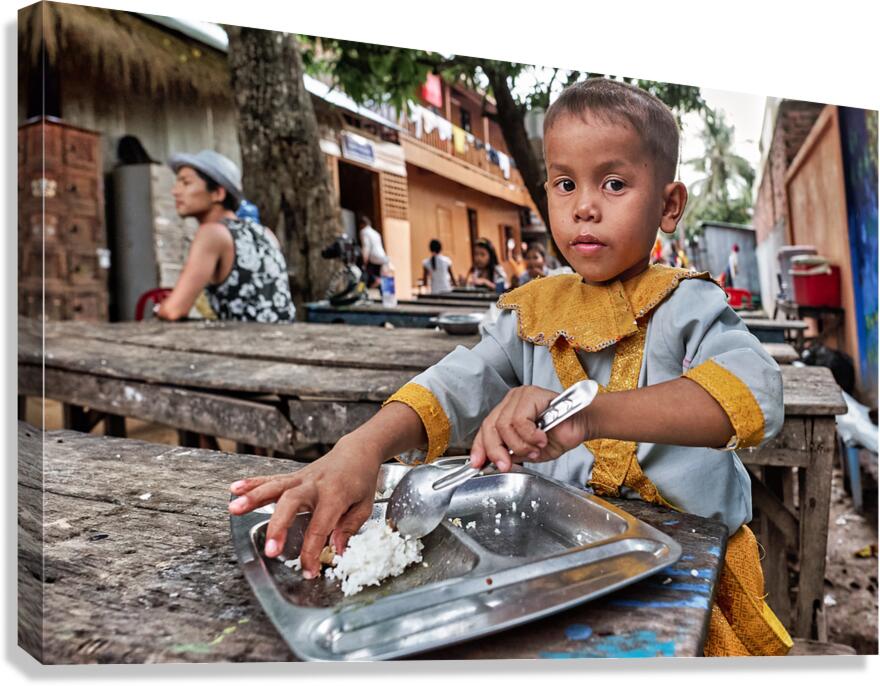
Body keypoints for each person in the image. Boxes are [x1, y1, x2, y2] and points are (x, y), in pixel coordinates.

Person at [227, 79, 789, 657]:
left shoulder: (687, 305)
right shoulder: (531, 311)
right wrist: (363, 448)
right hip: (568, 568)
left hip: (686, 577)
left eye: (614, 183)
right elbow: (457, 382)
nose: (585, 206)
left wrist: (596, 413)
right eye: (565, 184)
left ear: (669, 205)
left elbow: (754, 395)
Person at [157, 150, 295, 323]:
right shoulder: (265, 233)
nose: (175, 191)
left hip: (247, 344)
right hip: (283, 339)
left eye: (186, 183)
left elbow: (173, 310)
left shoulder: (212, 233)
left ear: (218, 193)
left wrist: (160, 308)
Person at [358, 215, 388, 289]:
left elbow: (366, 247)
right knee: (382, 276)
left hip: (373, 257)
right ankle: (380, 287)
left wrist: (364, 261)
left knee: (364, 275)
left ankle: (360, 290)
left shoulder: (364, 232)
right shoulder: (375, 233)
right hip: (382, 256)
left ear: (362, 224)